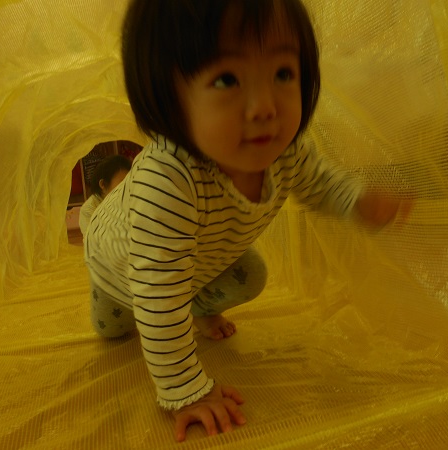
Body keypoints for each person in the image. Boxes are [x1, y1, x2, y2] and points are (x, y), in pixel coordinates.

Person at [84, 0, 412, 442]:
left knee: (251, 274)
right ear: (167, 98)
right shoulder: (166, 180)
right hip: (119, 267)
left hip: (197, 263)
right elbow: (157, 294)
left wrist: (358, 201)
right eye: (227, 79)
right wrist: (185, 391)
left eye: (283, 73)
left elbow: (318, 182)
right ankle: (102, 263)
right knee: (115, 329)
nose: (264, 107)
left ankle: (199, 306)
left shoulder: (285, 150)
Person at [78, 154, 131, 235]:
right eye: (122, 183)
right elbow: (92, 240)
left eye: (129, 182)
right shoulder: (89, 209)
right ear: (102, 184)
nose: (127, 188)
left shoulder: (130, 199)